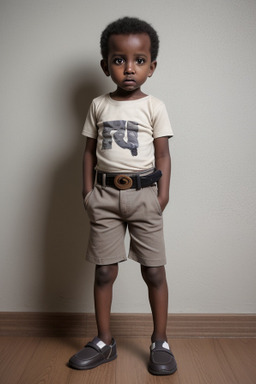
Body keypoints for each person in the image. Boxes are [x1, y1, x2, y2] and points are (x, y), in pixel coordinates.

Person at [69, 16, 177, 376]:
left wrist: (161, 197)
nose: (129, 68)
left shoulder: (154, 107)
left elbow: (163, 155)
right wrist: (88, 193)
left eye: (139, 61)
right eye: (119, 60)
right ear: (106, 66)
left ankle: (160, 340)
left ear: (152, 67)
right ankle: (104, 341)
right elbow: (87, 152)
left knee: (154, 271)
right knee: (104, 272)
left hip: (145, 195)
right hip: (104, 196)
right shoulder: (99, 106)